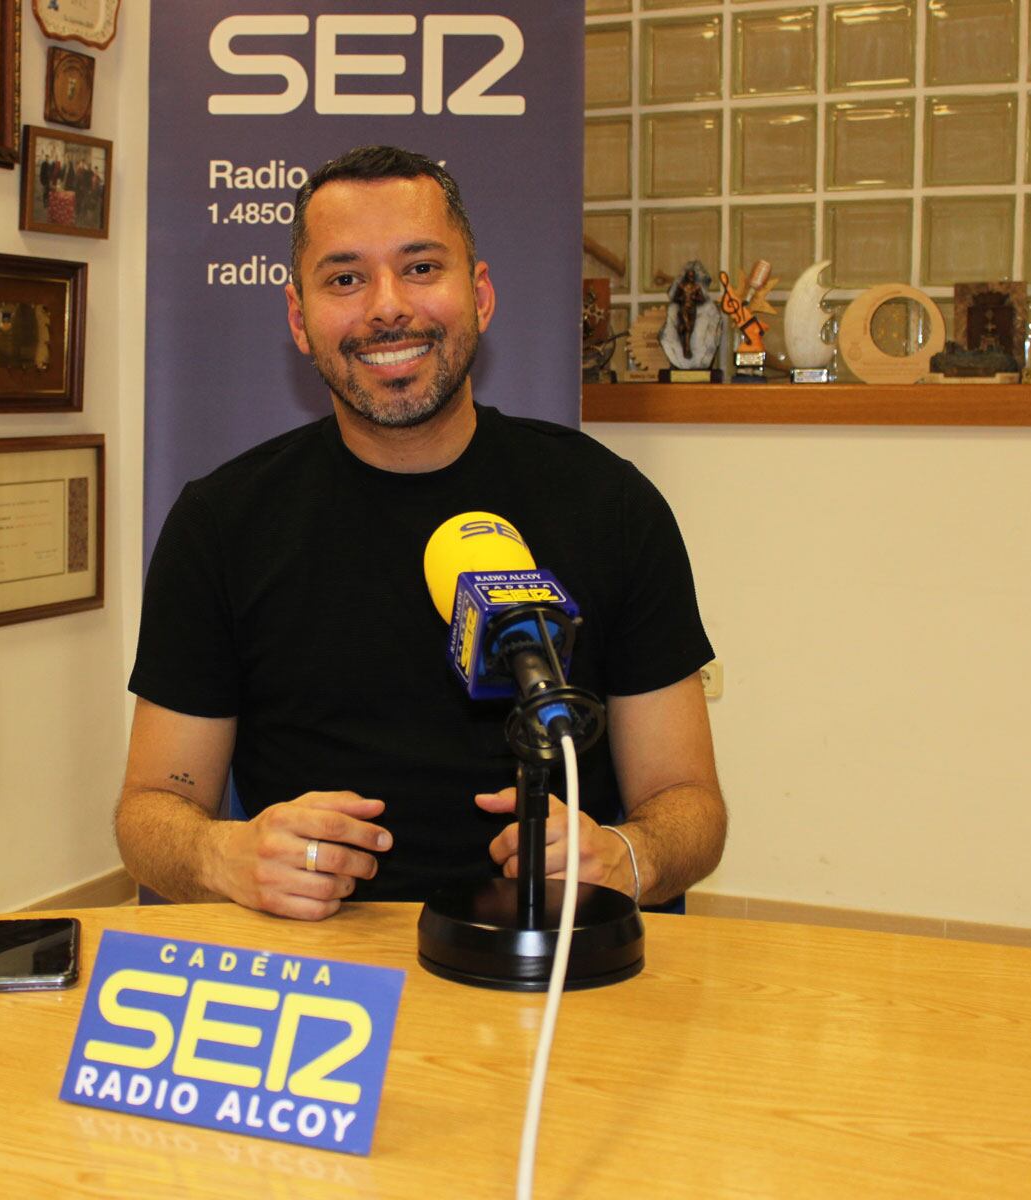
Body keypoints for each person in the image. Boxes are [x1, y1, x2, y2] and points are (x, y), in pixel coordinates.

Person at [115, 145, 725, 921]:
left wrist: (631, 855)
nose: (386, 306)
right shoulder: (221, 523)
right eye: (345, 278)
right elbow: (148, 813)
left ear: (481, 296)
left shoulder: (611, 504)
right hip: (326, 971)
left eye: (421, 268)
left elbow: (691, 807)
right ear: (300, 320)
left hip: (557, 952)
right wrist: (220, 854)